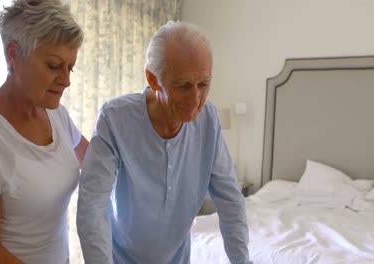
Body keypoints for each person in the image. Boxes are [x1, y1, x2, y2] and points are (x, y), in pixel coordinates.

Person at [77, 21, 251, 264]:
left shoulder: (208, 120)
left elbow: (231, 200)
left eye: (204, 84)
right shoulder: (115, 118)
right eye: (183, 86)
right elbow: (92, 207)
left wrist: (242, 261)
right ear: (152, 79)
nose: (196, 99)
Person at [0, 0, 88, 263]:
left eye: (70, 67)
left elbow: (94, 160)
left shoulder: (57, 114)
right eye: (54, 66)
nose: (67, 80)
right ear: (13, 54)